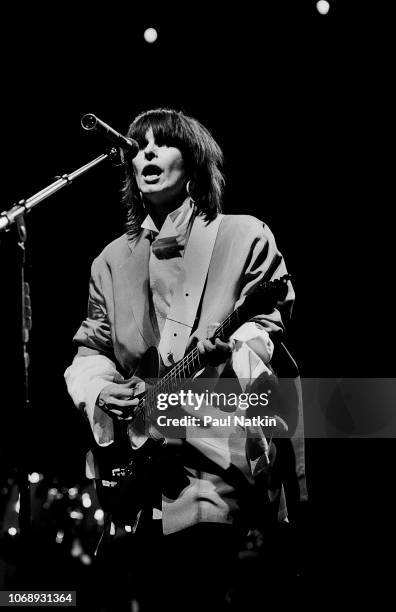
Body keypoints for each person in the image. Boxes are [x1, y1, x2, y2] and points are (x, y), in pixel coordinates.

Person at [64, 108, 306, 611]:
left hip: (219, 463)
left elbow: (265, 328)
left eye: (163, 142)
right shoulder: (110, 260)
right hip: (138, 477)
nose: (147, 151)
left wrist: (233, 350)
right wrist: (102, 387)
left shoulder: (243, 236)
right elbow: (93, 350)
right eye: (139, 145)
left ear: (193, 162)